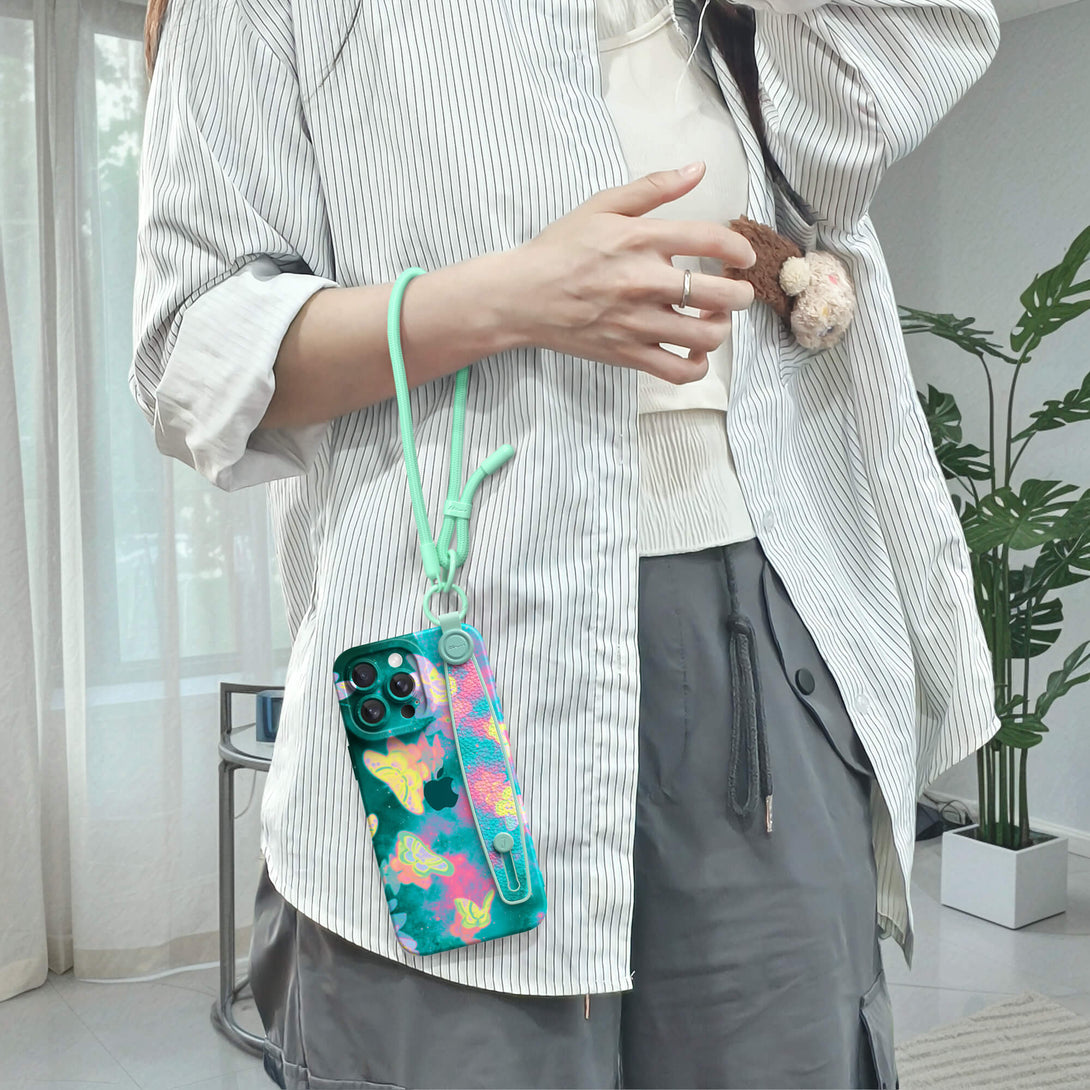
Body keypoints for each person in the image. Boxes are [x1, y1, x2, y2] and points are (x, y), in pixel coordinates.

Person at [130, 0, 1001, 1086]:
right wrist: (505, 300)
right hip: (452, 657)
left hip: (767, 643)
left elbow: (873, 109)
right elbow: (189, 351)